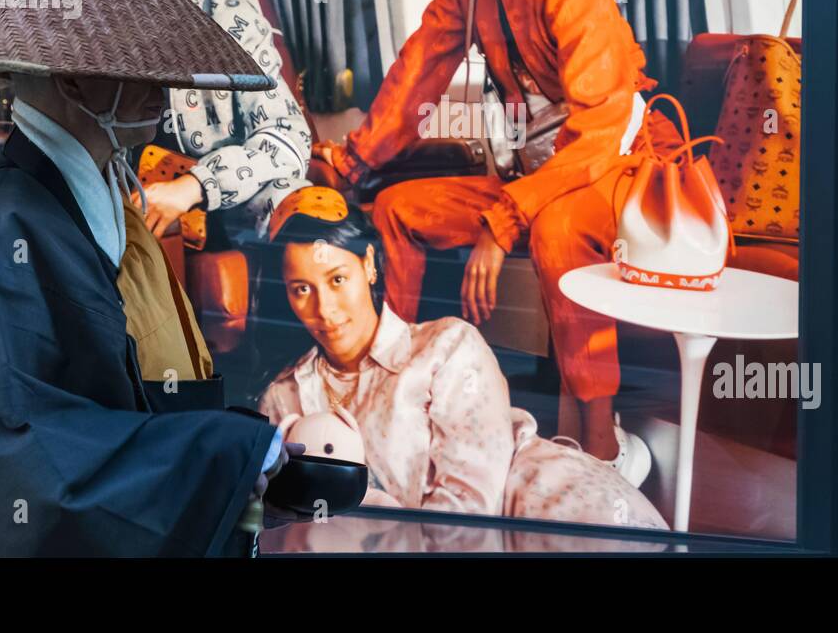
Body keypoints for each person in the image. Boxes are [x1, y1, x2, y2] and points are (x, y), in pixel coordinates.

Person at [0, 0, 302, 556]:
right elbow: (15, 446)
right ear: (78, 81)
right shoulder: (2, 232)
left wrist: (243, 458)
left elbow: (116, 393)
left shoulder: (97, 195)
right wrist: (222, 452)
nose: (164, 90)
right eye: (142, 69)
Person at [314, 0, 683, 486]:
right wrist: (352, 161)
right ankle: (393, 387)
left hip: (613, 164)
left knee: (555, 229)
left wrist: (507, 217)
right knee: (399, 210)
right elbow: (416, 76)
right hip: (536, 169)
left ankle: (604, 448)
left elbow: (602, 126)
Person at [257, 187, 667, 531]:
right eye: (301, 289)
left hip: (545, 514)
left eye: (337, 279)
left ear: (367, 265)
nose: (324, 309)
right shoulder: (284, 399)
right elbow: (293, 525)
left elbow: (470, 512)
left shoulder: (447, 346)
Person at [21, 0, 312, 246]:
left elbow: (290, 137)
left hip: (216, 201)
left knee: (306, 211)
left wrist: (195, 187)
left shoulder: (233, 18)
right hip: (113, 189)